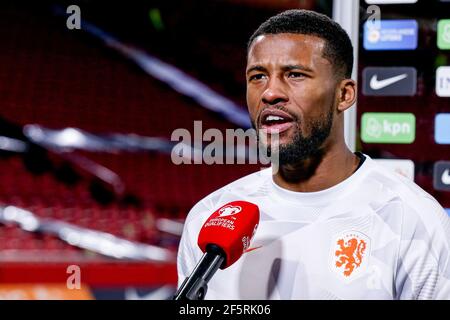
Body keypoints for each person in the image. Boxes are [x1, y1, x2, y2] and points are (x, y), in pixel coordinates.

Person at [176, 9, 450, 299]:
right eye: (257, 76)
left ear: (344, 95)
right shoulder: (210, 217)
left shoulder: (411, 218)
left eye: (295, 74)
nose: (270, 93)